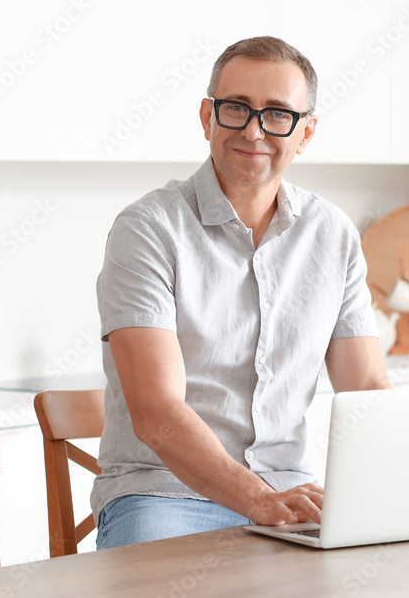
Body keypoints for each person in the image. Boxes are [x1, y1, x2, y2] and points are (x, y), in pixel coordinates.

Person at [91, 36, 391, 549]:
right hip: (164, 498)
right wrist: (257, 501)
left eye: (278, 114)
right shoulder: (148, 229)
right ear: (207, 117)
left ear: (306, 132)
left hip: (293, 496)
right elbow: (157, 414)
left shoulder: (332, 234)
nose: (254, 129)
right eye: (237, 109)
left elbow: (364, 386)